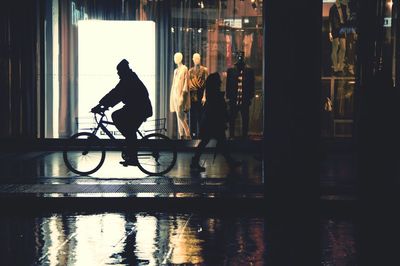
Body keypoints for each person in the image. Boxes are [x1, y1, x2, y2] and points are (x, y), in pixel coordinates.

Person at [91, 59, 152, 166]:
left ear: (123, 70)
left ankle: (132, 155)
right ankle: (130, 146)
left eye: (119, 71)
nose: (118, 74)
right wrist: (102, 104)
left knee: (119, 119)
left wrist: (102, 105)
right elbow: (115, 93)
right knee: (126, 126)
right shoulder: (128, 77)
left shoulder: (128, 79)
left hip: (140, 108)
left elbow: (116, 93)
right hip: (137, 107)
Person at [190, 72, 241, 172]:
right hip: (214, 123)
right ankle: (230, 162)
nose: (220, 82)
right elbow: (219, 109)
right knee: (220, 143)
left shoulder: (211, 94)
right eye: (218, 80)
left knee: (209, 142)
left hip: (211, 123)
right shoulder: (215, 94)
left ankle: (195, 161)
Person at [226, 51, 255, 139]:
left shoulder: (249, 71)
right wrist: (228, 97)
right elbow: (228, 85)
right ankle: (231, 135)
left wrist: (250, 96)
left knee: (245, 119)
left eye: (241, 56)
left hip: (244, 99)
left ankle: (244, 136)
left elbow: (251, 85)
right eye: (239, 56)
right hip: (234, 99)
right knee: (232, 119)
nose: (240, 58)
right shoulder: (231, 70)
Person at [169, 52, 191, 139]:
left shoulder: (185, 69)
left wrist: (183, 95)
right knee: (179, 114)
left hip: (181, 94)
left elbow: (186, 83)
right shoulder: (176, 71)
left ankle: (187, 133)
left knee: (180, 114)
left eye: (176, 57)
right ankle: (181, 134)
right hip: (175, 94)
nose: (175, 59)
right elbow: (174, 83)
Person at [188, 53, 208, 138]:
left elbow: (207, 84)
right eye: (195, 58)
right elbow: (188, 85)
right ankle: (193, 134)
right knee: (193, 116)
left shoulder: (204, 70)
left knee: (201, 116)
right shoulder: (190, 71)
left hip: (201, 94)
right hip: (193, 96)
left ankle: (201, 134)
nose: (197, 60)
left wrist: (204, 96)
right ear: (193, 59)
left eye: (198, 58)